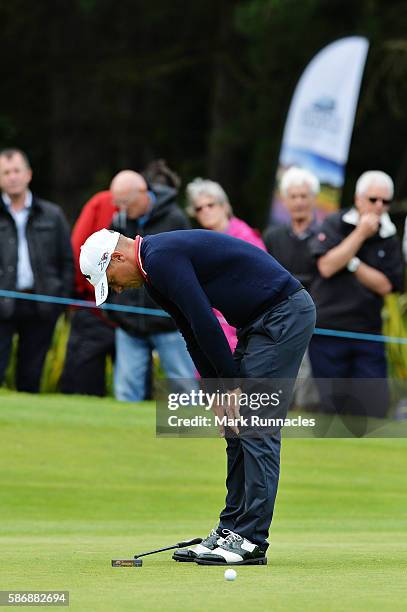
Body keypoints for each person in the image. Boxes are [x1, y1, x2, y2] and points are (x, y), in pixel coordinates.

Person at [79, 227, 316, 566]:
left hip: (284, 315)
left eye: (110, 279)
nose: (115, 288)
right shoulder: (152, 272)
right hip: (259, 322)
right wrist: (216, 389)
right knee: (236, 426)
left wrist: (230, 384)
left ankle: (251, 539)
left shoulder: (159, 259)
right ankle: (230, 529)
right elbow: (191, 329)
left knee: (254, 424)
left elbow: (206, 321)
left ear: (117, 257)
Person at [308, 170, 404, 418]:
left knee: (373, 408)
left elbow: (385, 285)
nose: (379, 206)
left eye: (385, 202)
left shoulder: (389, 236)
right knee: (333, 409)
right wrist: (360, 234)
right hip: (328, 329)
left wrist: (350, 262)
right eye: (373, 200)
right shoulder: (334, 222)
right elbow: (327, 266)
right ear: (358, 198)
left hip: (368, 333)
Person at [107, 170, 197, 401]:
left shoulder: (175, 219)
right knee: (126, 392)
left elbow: (187, 270)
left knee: (184, 389)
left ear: (143, 193)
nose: (122, 209)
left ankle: (193, 437)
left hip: (169, 323)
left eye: (126, 203)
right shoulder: (119, 220)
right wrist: (115, 309)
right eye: (118, 204)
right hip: (129, 323)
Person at [0, 148, 73, 392]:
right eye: (5, 172)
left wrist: (58, 299)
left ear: (28, 174)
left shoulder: (52, 215)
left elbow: (67, 261)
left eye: (16, 171)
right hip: (3, 301)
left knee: (31, 374)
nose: (12, 177)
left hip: (41, 303)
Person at [186, 178, 266, 351]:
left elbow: (261, 280)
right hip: (213, 326)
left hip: (241, 326)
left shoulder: (245, 237)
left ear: (224, 206)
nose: (205, 211)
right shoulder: (200, 240)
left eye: (210, 205)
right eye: (199, 208)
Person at [263, 167, 320, 410]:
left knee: (308, 375)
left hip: (316, 312)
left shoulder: (324, 235)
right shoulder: (273, 235)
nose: (299, 202)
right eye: (293, 196)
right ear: (285, 201)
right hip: (280, 314)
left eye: (303, 196)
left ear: (313, 200)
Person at [60, 191, 117, 396]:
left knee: (131, 391)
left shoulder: (102, 200)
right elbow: (79, 252)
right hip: (93, 308)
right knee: (83, 383)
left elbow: (77, 249)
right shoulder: (102, 202)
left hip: (130, 316)